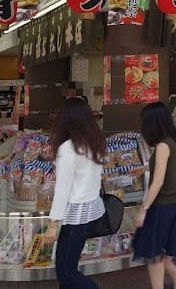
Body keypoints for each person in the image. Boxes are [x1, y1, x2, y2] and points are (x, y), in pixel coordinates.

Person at [42, 97, 106, 289]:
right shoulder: (94, 143)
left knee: (66, 273)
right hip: (91, 212)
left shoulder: (68, 149)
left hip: (75, 216)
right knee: (69, 269)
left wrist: (53, 224)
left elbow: (63, 189)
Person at [133, 102, 176, 289]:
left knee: (154, 253)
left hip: (161, 206)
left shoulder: (162, 147)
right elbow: (167, 170)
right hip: (173, 205)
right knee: (159, 249)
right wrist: (144, 168)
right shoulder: (173, 142)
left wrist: (143, 209)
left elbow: (157, 182)